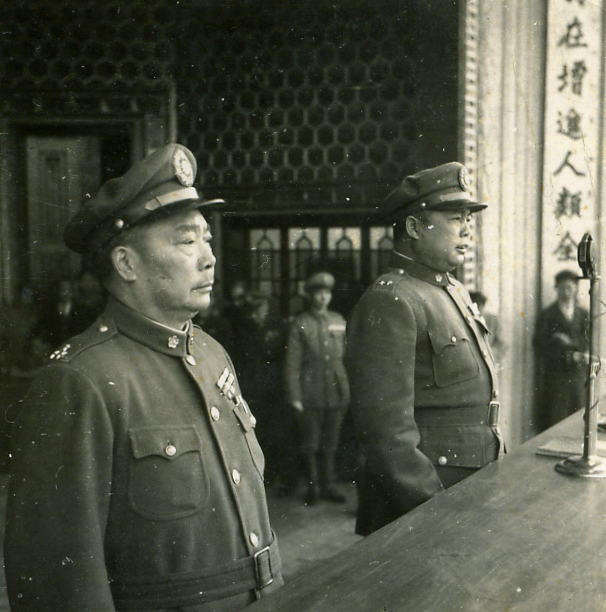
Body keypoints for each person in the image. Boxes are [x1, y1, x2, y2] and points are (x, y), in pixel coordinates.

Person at [4, 143, 283, 611]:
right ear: (126, 264)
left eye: (207, 239)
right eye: (186, 241)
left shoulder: (211, 353)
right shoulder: (81, 380)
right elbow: (59, 581)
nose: (209, 258)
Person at [346, 162, 504, 536]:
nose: (467, 229)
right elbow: (386, 434)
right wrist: (435, 510)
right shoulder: (392, 300)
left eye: (468, 218)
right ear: (415, 228)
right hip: (427, 504)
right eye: (454, 218)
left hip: (469, 488)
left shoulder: (453, 290)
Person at [285, 271, 350, 505]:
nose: (323, 297)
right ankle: (313, 487)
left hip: (336, 390)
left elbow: (348, 356)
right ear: (310, 296)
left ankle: (329, 485)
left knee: (331, 443)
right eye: (318, 293)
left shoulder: (338, 320)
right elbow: (292, 363)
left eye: (327, 293)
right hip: (310, 391)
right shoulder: (301, 323)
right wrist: (295, 396)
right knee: (310, 444)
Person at [533, 269, 589, 430]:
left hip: (578, 375)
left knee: (578, 417)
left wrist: (570, 342)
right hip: (556, 376)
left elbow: (589, 341)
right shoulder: (547, 315)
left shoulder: (583, 314)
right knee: (555, 418)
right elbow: (538, 345)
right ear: (556, 288)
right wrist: (558, 347)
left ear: (576, 289)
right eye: (562, 288)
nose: (566, 292)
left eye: (569, 288)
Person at [469, 290, 506, 366]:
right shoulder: (465, 320)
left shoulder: (493, 320)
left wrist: (488, 355)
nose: (478, 310)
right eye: (475, 307)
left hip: (489, 363)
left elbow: (502, 345)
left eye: (480, 306)